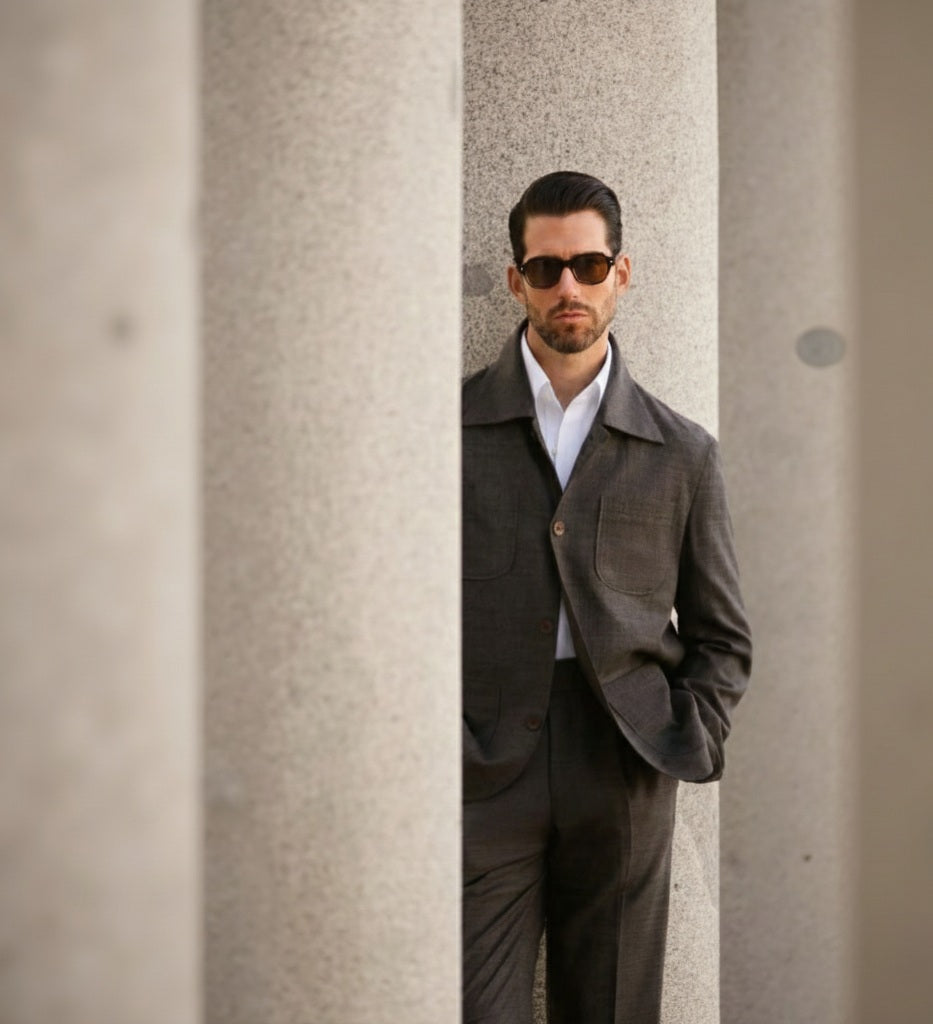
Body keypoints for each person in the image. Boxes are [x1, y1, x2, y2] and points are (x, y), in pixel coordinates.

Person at [461, 171, 752, 1024]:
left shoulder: (680, 453)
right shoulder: (443, 432)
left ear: (621, 274)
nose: (567, 289)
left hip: (622, 761)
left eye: (588, 266)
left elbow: (722, 634)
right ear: (515, 280)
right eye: (545, 269)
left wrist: (678, 739)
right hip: (480, 766)